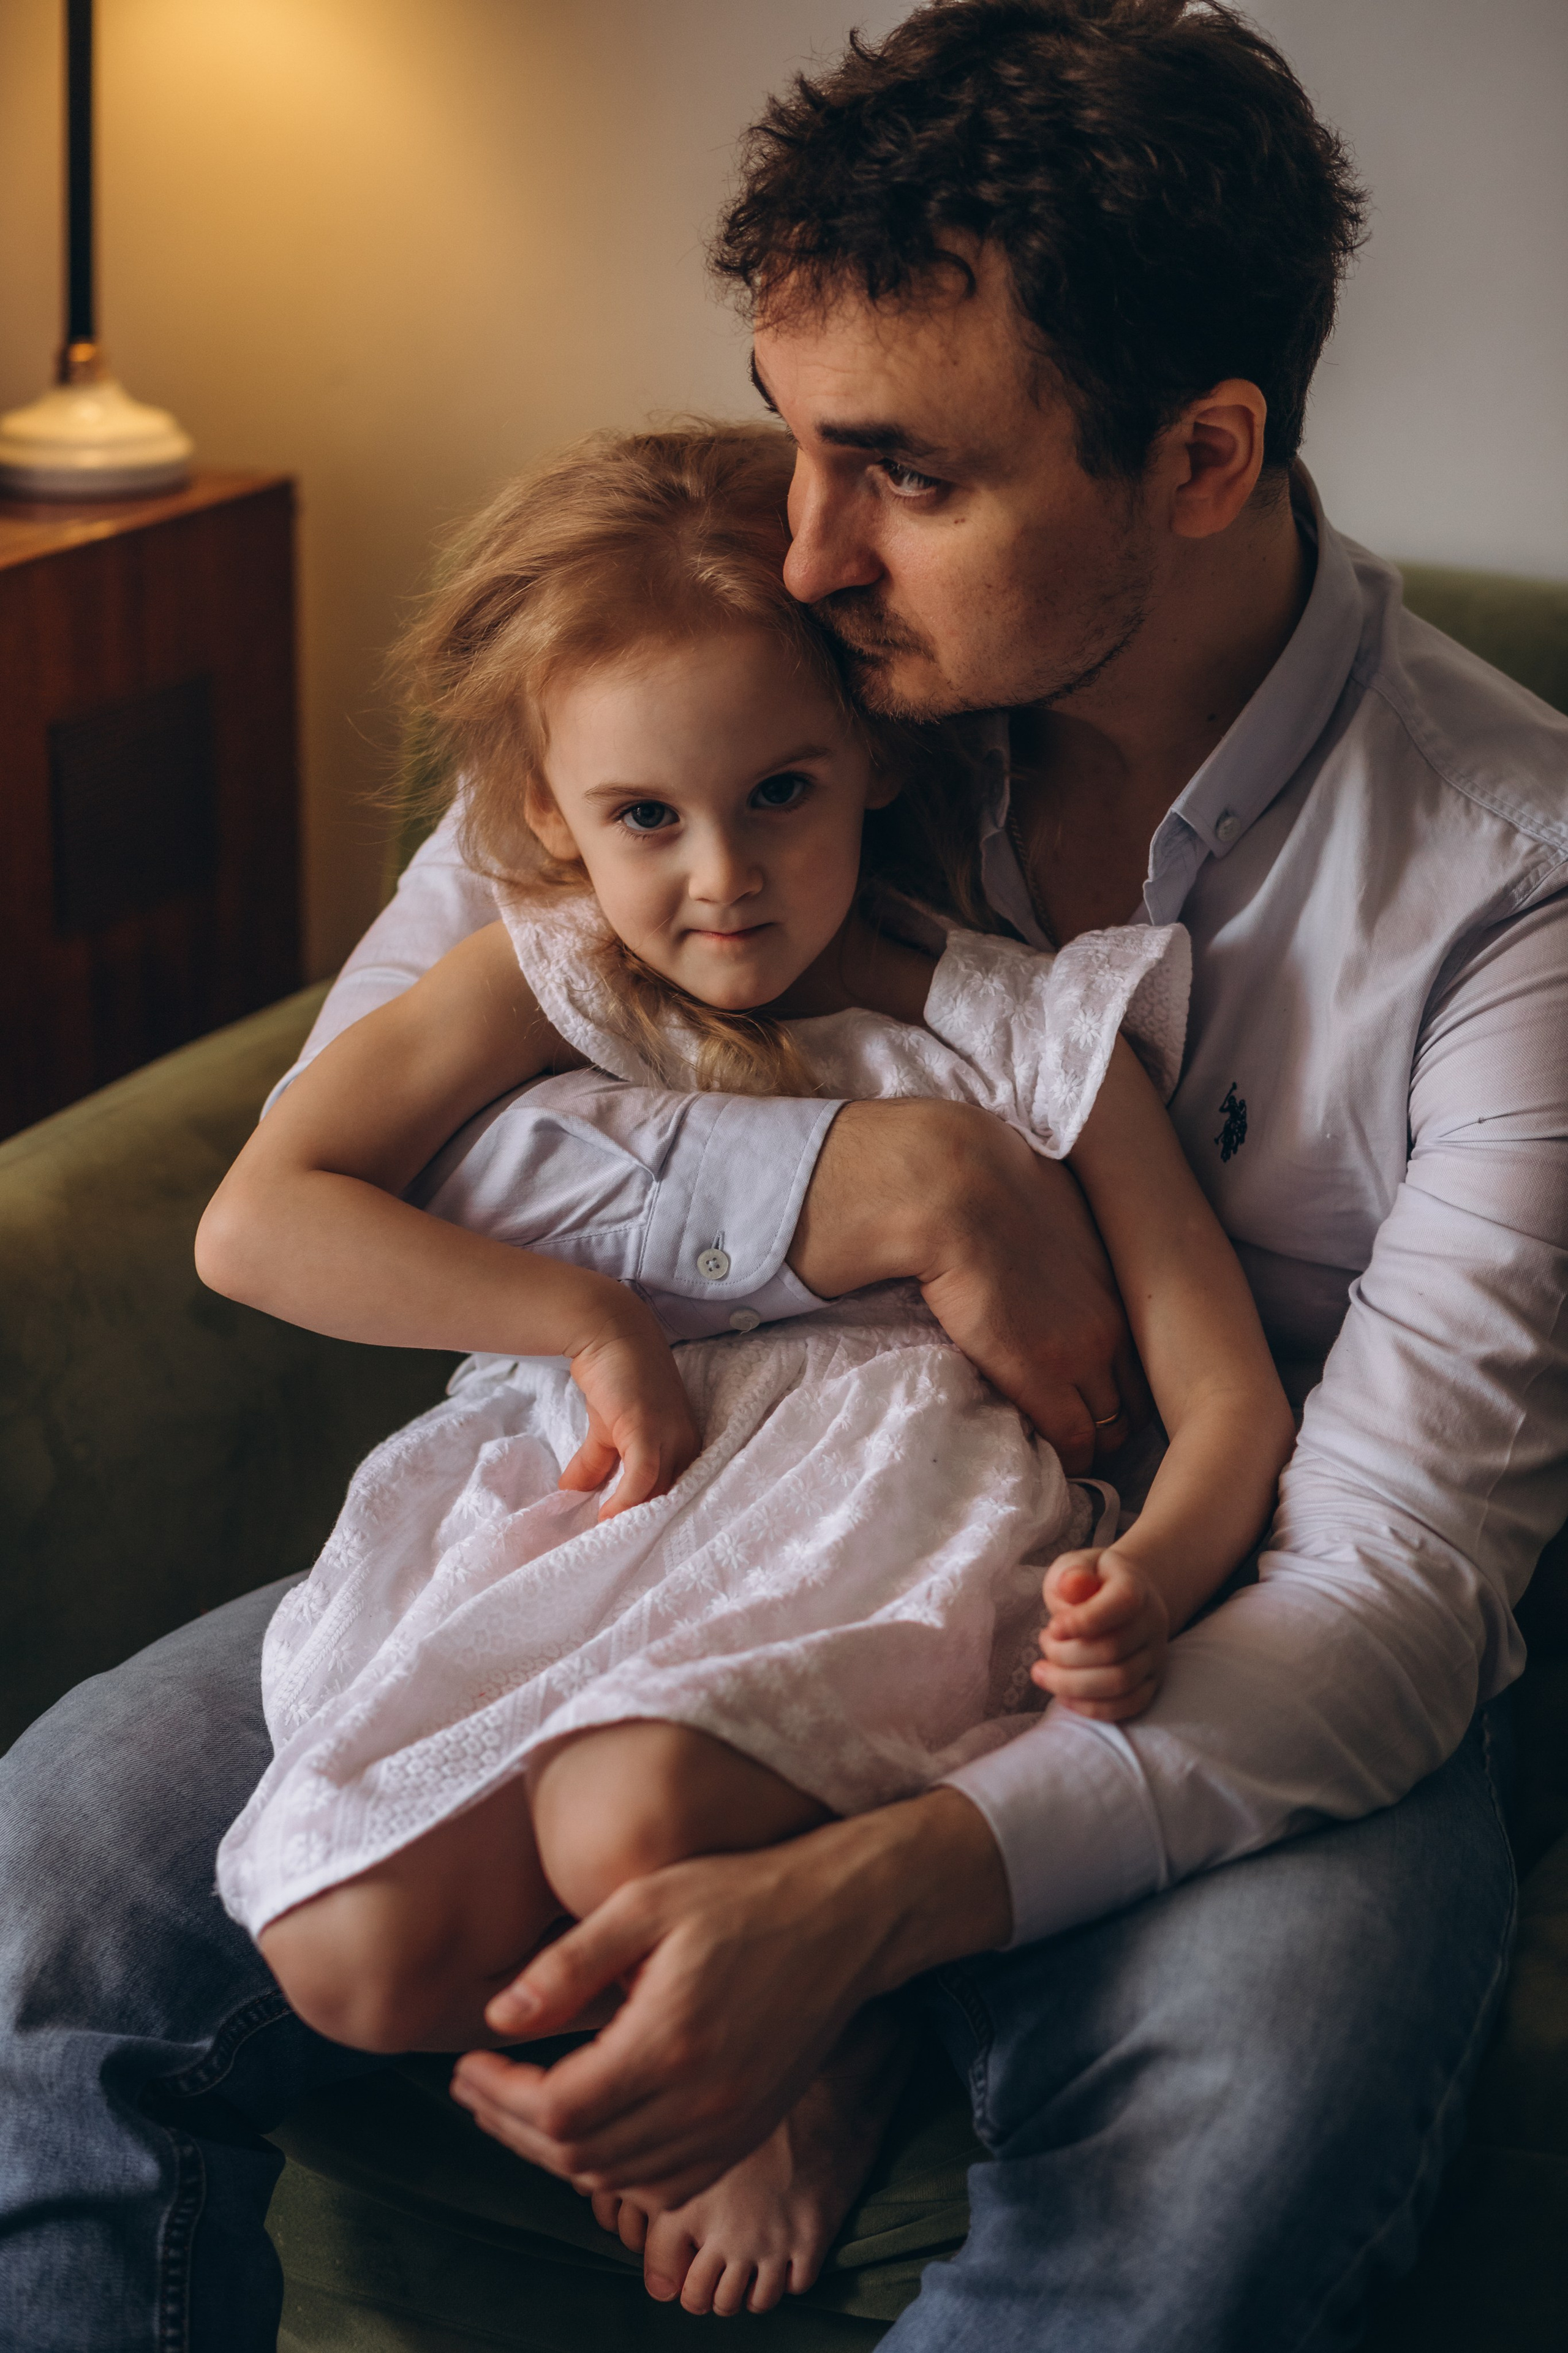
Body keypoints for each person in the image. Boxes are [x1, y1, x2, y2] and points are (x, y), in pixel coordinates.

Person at [0, 2, 1559, 2346]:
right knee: (45, 1878)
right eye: (786, 434)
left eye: (905, 473)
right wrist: (865, 1185)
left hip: (1190, 1621)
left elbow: (1393, 1582)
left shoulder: (1511, 888)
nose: (807, 543)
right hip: (646, 1517)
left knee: (1221, 2147)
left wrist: (872, 1899)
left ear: (1203, 455)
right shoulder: (720, 662)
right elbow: (382, 1126)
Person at [195, 422, 1291, 2317]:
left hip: (887, 1528)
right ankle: (764, 1994)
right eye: (645, 818)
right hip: (613, 1500)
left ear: (871, 752)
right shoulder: (545, 975)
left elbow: (1227, 1399)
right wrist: (588, 1315)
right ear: (547, 812)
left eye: (780, 792)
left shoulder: (1029, 1025)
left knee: (625, 1818)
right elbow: (258, 1216)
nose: (723, 882)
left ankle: (834, 2032)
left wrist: (1158, 1577)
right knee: (345, 1944)